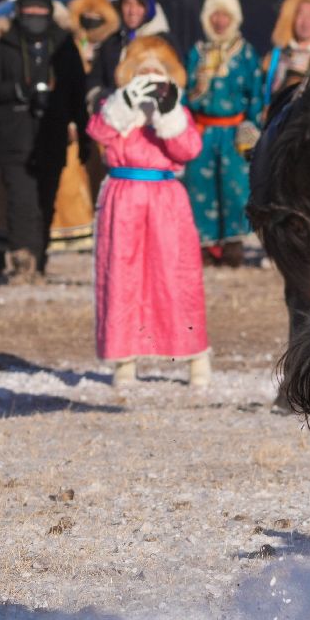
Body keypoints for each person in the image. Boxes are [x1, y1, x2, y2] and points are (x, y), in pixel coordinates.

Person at [88, 36, 209, 388]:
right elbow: (98, 130)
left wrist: (168, 112)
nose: (151, 79)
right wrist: (123, 103)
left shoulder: (175, 110)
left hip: (165, 199)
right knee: (122, 282)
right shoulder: (118, 109)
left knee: (177, 279)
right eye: (144, 72)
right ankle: (123, 360)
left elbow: (188, 148)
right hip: (123, 199)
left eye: (157, 72)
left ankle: (195, 357)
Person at [0, 0, 87, 284]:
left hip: (52, 136)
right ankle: (22, 262)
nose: (35, 14)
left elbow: (78, 92)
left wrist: (82, 132)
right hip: (15, 137)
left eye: (41, 9)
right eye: (29, 9)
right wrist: (17, 91)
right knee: (20, 202)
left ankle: (39, 261)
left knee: (44, 203)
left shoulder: (63, 45)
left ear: (50, 11)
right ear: (19, 11)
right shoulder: (3, 43)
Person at [182, 0, 264, 267]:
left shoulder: (245, 53)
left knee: (235, 189)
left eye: (225, 15)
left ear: (234, 19)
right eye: (214, 15)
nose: (219, 21)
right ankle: (204, 247)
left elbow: (256, 93)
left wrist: (252, 126)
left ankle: (233, 246)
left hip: (233, 133)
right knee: (200, 187)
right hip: (204, 132)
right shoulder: (197, 52)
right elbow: (185, 92)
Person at [91, 0, 173, 102]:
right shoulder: (113, 41)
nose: (132, 11)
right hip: (113, 113)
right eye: (127, 4)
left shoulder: (162, 43)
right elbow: (96, 78)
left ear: (148, 9)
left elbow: (175, 79)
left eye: (139, 4)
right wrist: (98, 98)